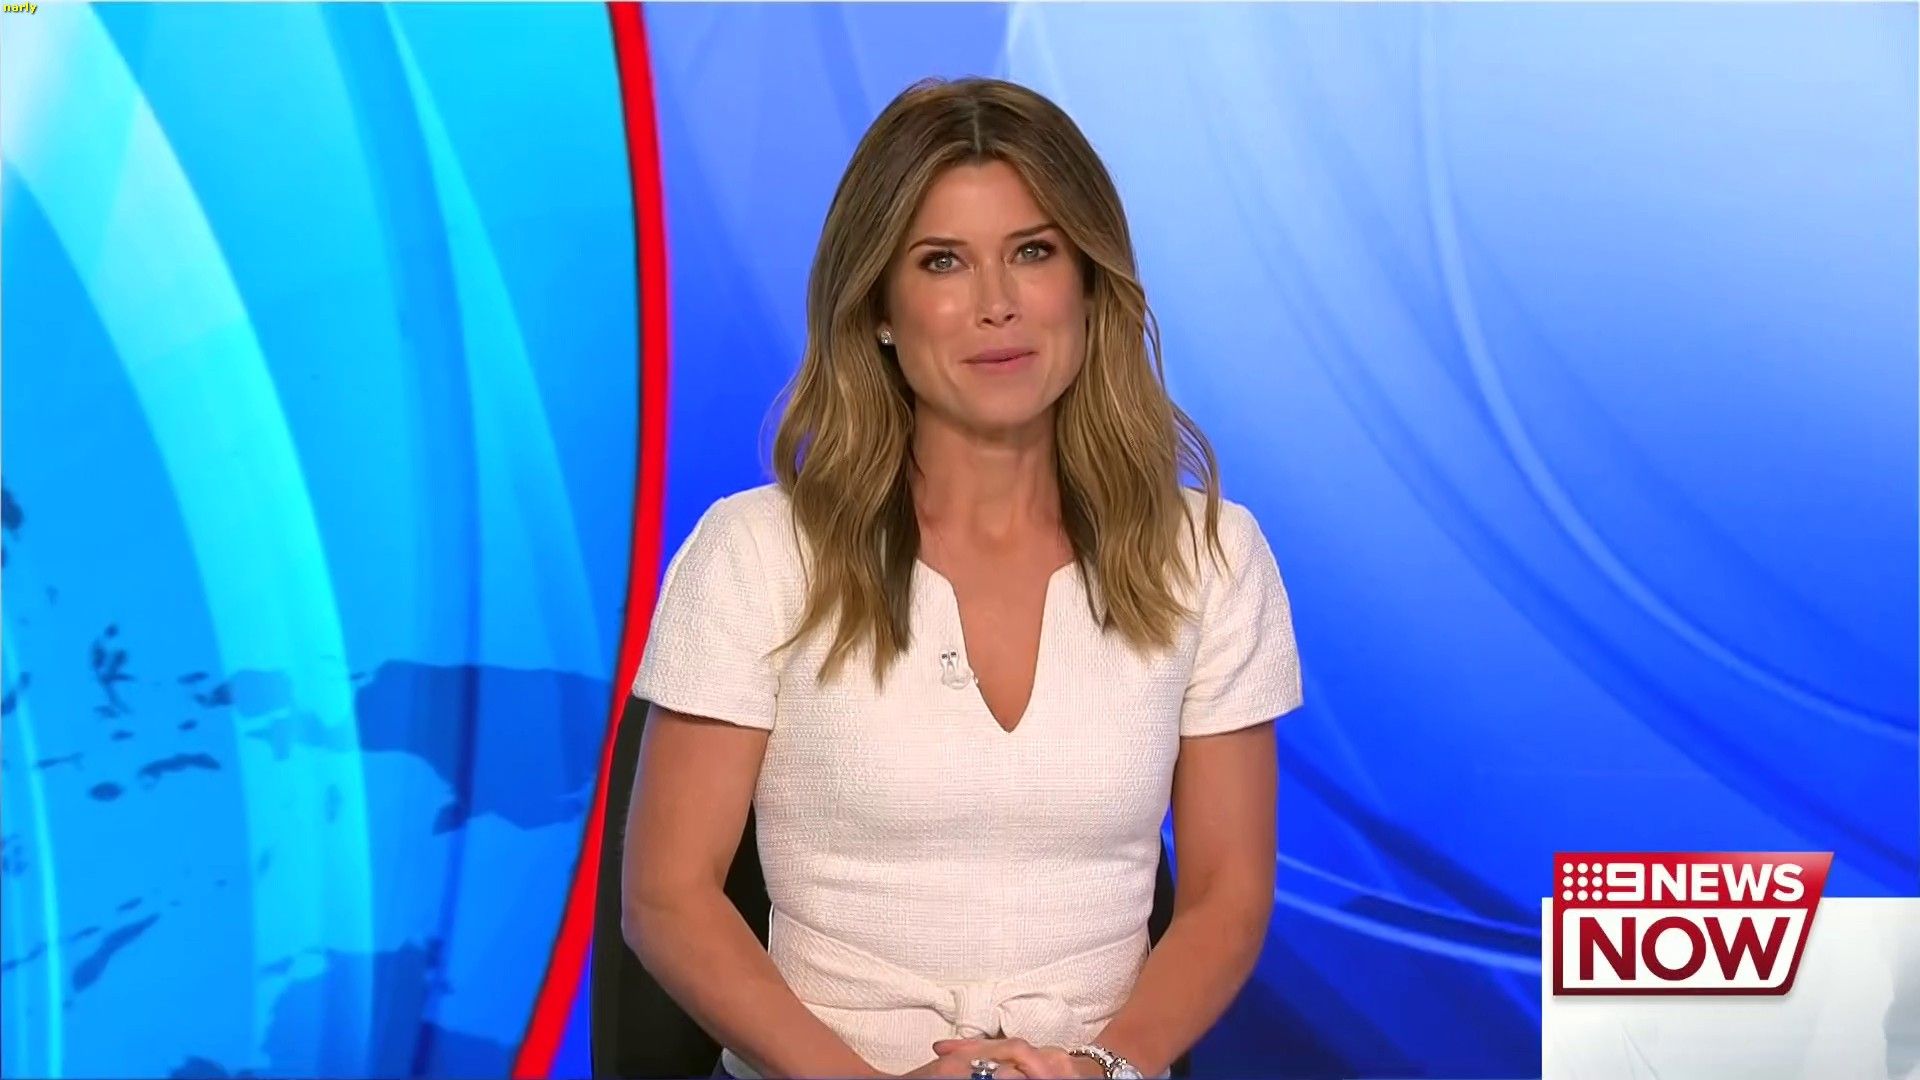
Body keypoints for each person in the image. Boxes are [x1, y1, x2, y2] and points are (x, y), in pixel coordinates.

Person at [621, 76, 1302, 1080]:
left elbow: (1226, 896)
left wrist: (1106, 1066)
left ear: (1089, 285)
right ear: (880, 308)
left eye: (1034, 252)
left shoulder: (1210, 555)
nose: (997, 305)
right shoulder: (755, 553)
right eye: (943, 261)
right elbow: (667, 898)